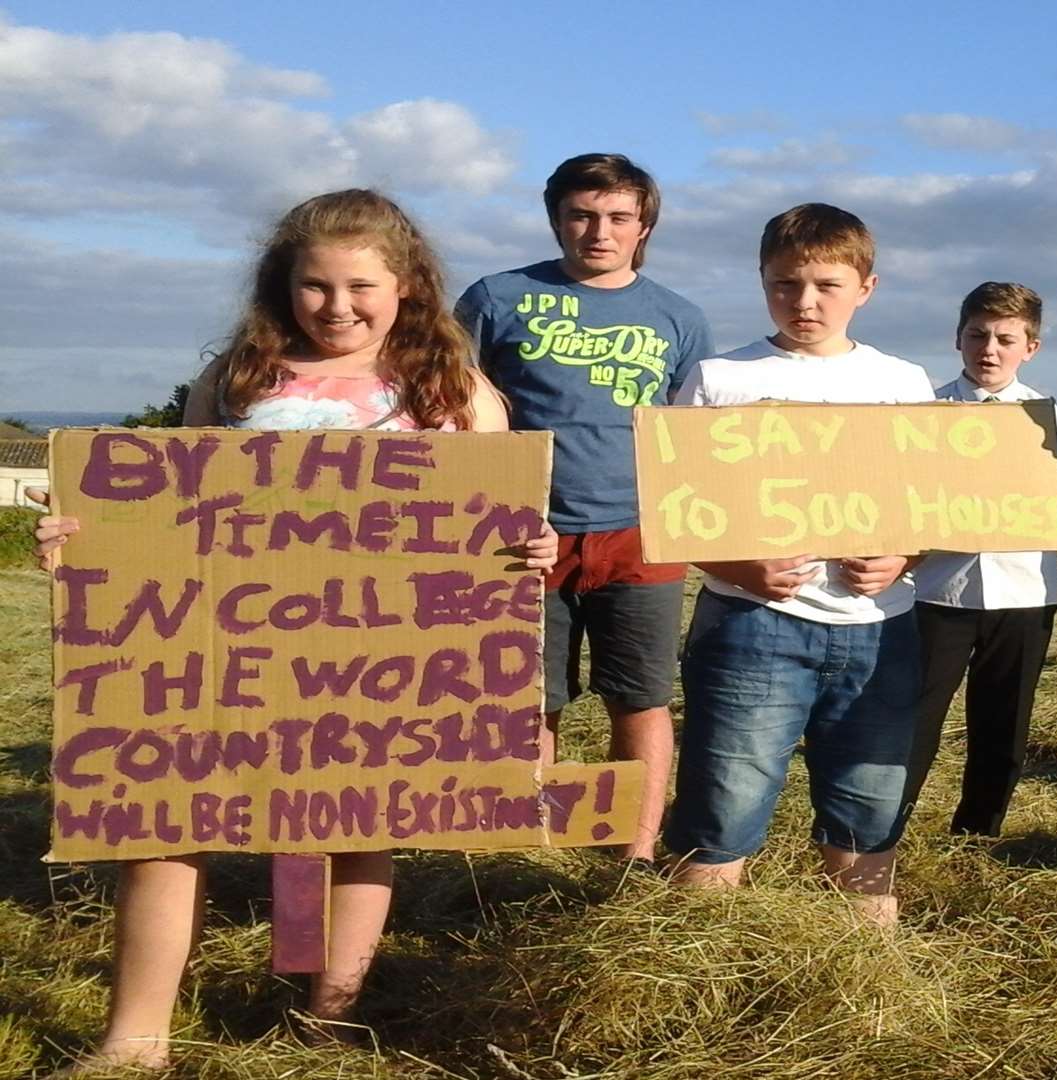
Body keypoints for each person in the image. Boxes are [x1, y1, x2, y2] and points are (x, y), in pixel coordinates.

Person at [32, 189, 557, 1071]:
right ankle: (136, 1038)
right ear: (285, 286)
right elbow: (168, 502)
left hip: (380, 656)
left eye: (362, 286)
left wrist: (526, 547)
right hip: (216, 647)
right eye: (316, 286)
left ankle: (329, 1021)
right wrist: (89, 537)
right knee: (164, 820)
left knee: (358, 824)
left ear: (408, 288)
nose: (339, 307)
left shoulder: (452, 390)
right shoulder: (236, 379)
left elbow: (492, 516)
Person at [663, 203, 933, 926]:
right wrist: (738, 566)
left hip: (881, 627)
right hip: (752, 624)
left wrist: (905, 554)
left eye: (826, 285)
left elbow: (936, 503)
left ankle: (865, 981)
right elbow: (676, 506)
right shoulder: (719, 379)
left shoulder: (905, 382)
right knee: (724, 800)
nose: (805, 302)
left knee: (870, 803)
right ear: (762, 281)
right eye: (785, 284)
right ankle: (693, 967)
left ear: (866, 288)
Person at [455, 153, 714, 863]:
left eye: (618, 218)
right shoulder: (495, 299)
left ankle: (635, 849)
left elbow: (693, 435)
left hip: (639, 535)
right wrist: (496, 511)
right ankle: (533, 840)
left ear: (644, 225)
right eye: (582, 215)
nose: (599, 231)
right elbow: (454, 411)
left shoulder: (678, 318)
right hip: (525, 537)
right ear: (556, 219)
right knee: (532, 699)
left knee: (642, 697)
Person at [901, 282, 1057, 836]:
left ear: (1030, 347)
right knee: (915, 717)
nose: (989, 349)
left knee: (1004, 723)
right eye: (978, 335)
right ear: (957, 338)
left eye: (1006, 339)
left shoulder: (1053, 419)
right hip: (936, 589)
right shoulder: (924, 411)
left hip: (1025, 590)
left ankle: (979, 830)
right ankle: (885, 825)